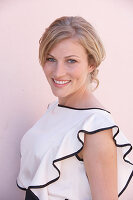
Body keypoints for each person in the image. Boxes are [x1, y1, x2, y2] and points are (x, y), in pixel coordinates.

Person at [16, 16, 133, 200]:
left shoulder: (95, 128)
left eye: (71, 61)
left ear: (91, 64)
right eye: (51, 59)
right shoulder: (55, 107)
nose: (58, 72)